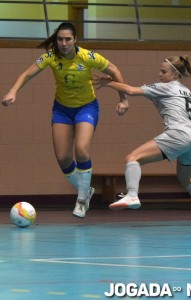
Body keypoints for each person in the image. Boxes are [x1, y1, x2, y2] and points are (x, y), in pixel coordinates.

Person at [2, 22, 128, 218]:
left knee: (82, 150)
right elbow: (27, 73)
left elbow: (114, 70)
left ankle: (82, 199)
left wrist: (123, 99)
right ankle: (85, 189)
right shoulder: (51, 56)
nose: (63, 43)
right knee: (63, 158)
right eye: (60, 39)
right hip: (62, 110)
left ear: (75, 40)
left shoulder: (87, 56)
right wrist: (13, 91)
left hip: (86, 107)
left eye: (68, 39)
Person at [93, 55, 191, 226]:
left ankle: (132, 194)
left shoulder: (166, 88)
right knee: (186, 179)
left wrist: (108, 83)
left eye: (163, 71)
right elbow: (153, 96)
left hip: (178, 135)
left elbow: (132, 91)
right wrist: (124, 98)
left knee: (132, 158)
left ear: (175, 74)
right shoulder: (185, 91)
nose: (160, 74)